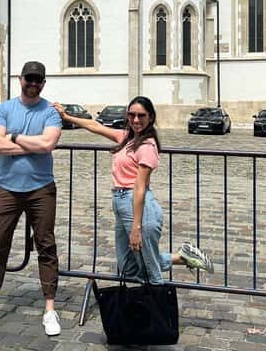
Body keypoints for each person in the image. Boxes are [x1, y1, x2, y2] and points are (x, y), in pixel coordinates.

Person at [53, 96, 213, 285]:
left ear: (151, 117)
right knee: (129, 266)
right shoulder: (127, 138)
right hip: (121, 203)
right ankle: (181, 257)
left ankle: (158, 311)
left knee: (149, 272)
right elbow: (96, 126)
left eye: (141, 116)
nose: (136, 120)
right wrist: (67, 117)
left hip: (137, 206)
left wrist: (136, 228)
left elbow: (139, 187)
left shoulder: (147, 146)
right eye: (131, 115)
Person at [0, 61, 63, 336]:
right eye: (28, 79)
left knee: (46, 245)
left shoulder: (50, 112)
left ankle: (49, 310)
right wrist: (31, 146)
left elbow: (47, 145)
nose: (33, 84)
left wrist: (15, 137)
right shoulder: (5, 108)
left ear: (43, 83)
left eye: (38, 80)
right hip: (6, 188)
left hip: (41, 188)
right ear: (20, 79)